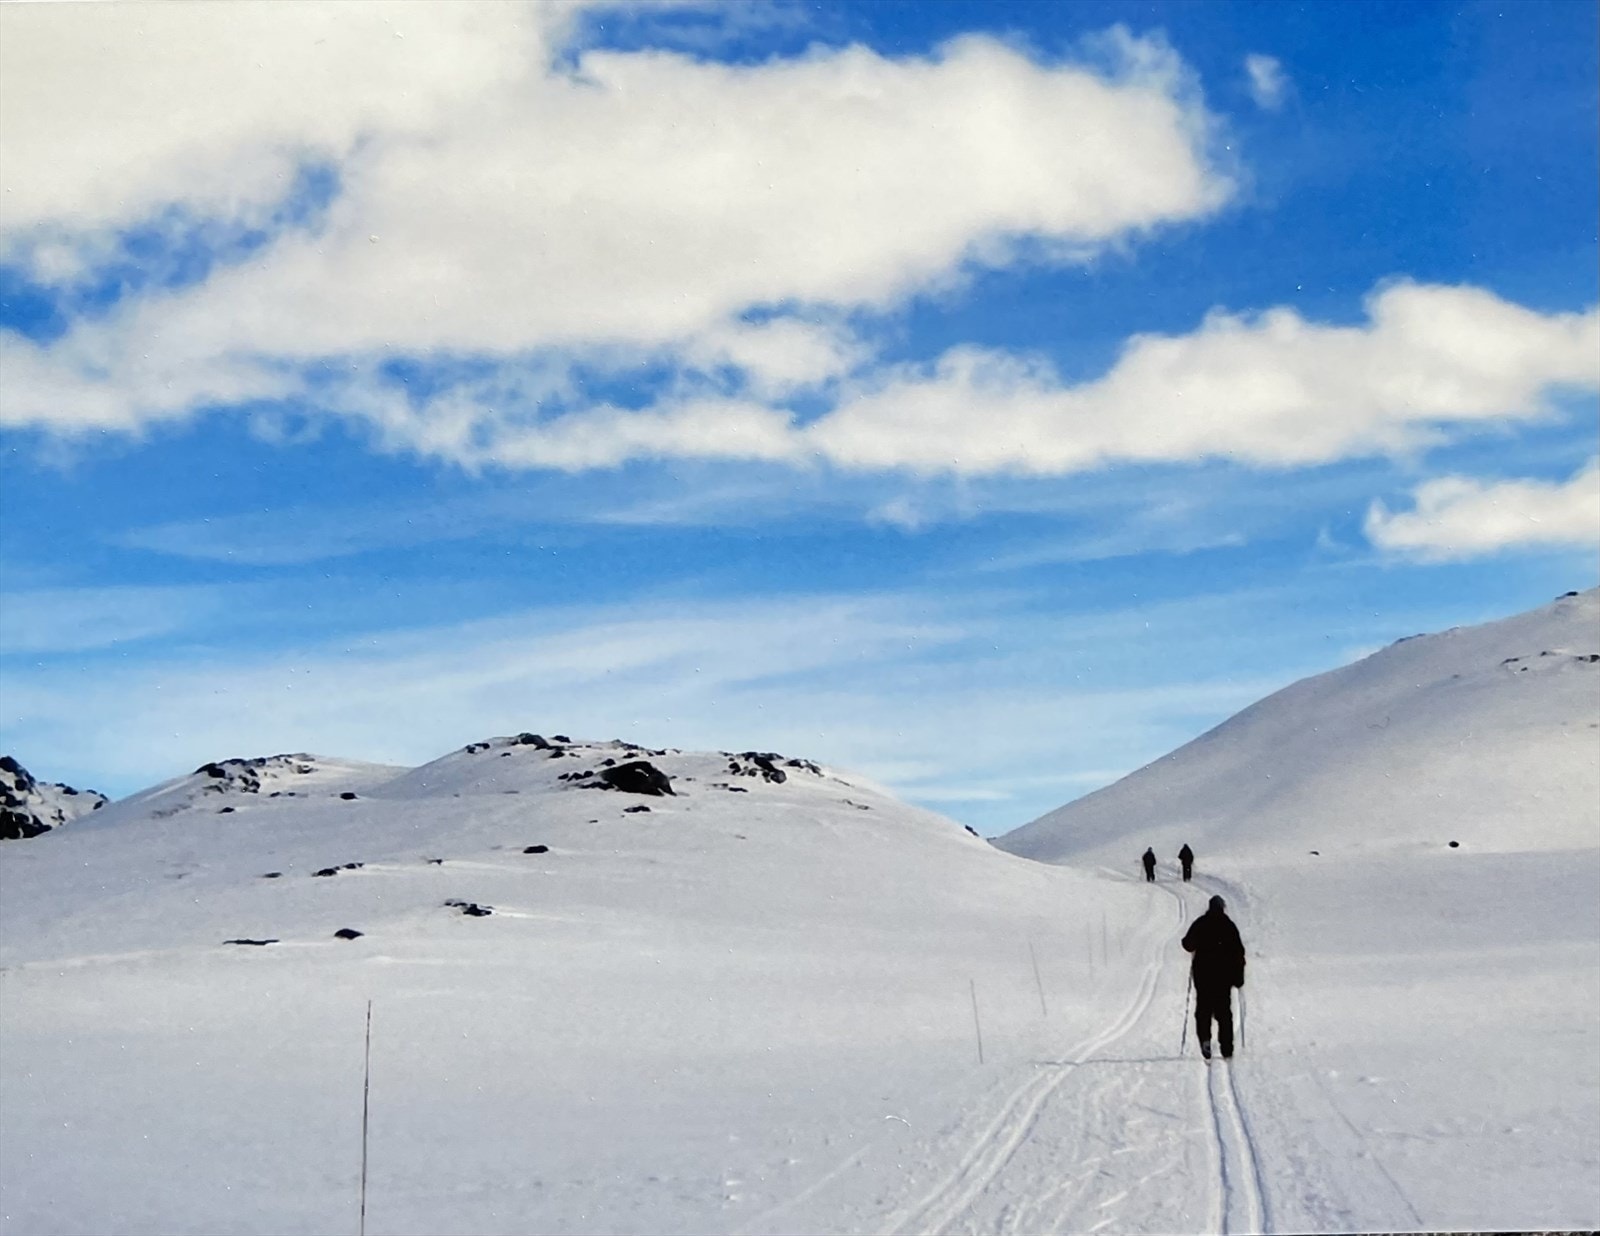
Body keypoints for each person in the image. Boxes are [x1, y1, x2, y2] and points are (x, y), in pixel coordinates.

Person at [1182, 894, 1246, 1059]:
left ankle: (1205, 1039)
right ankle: (1227, 1047)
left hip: (1203, 974)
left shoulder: (1201, 923)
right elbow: (1239, 953)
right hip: (1223, 976)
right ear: (1223, 908)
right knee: (1224, 1012)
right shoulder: (1228, 926)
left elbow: (1187, 944)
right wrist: (1239, 977)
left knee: (1203, 1010)